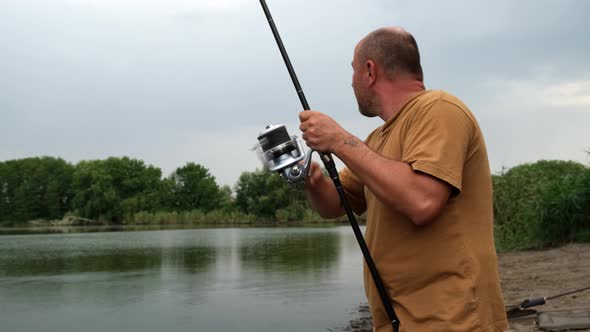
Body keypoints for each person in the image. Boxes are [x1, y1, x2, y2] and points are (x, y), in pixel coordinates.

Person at [299, 27, 509, 332]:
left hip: (453, 321)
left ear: (370, 71)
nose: (352, 82)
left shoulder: (439, 109)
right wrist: (312, 180)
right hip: (402, 322)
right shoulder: (377, 140)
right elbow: (334, 204)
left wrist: (340, 140)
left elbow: (421, 201)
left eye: (353, 70)